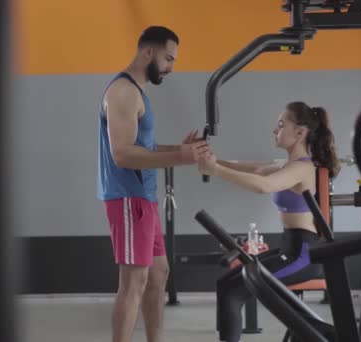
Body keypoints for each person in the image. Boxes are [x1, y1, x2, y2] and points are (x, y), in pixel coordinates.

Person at [96, 26, 209, 342]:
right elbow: (122, 154)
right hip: (128, 198)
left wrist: (180, 151)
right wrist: (181, 158)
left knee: (159, 273)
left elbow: (143, 147)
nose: (171, 67)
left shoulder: (137, 93)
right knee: (133, 284)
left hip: (144, 199)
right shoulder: (123, 91)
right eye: (168, 59)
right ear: (148, 52)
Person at [197, 101, 341, 342]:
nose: (275, 130)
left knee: (235, 292)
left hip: (303, 255)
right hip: (289, 249)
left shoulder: (303, 169)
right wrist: (211, 160)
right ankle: (327, 334)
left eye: (281, 124)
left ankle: (329, 335)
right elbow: (251, 169)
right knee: (226, 284)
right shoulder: (287, 165)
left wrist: (214, 170)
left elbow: (263, 186)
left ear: (300, 132)